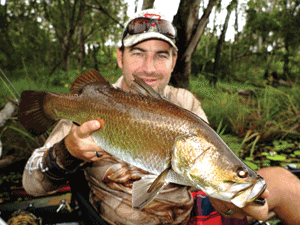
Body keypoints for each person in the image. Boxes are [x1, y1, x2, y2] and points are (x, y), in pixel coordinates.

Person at [22, 8, 300, 225]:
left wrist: (231, 198)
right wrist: (68, 150)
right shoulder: (90, 105)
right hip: (118, 219)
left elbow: (209, 180)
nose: (149, 68)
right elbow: (31, 184)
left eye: (161, 56)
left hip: (186, 215)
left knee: (285, 182)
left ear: (174, 60)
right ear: (120, 57)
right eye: (138, 53)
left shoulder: (185, 103)